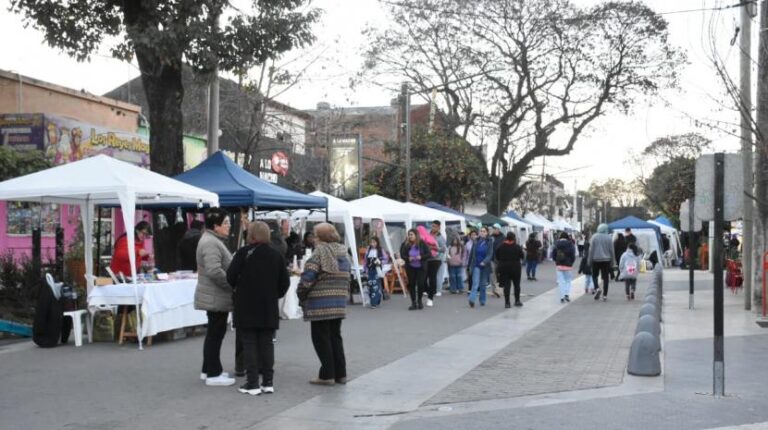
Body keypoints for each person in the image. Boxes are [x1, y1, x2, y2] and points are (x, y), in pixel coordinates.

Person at [226, 221, 290, 395]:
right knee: (267, 343)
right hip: (268, 305)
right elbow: (285, 283)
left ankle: (252, 382)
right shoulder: (276, 255)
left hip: (246, 304)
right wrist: (272, 294)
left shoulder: (243, 253)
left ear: (252, 235)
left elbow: (230, 277)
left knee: (249, 343)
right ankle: (268, 382)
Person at [297, 223, 350, 386]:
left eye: (315, 235)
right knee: (335, 336)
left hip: (320, 302)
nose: (313, 238)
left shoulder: (320, 252)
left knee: (321, 338)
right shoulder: (343, 252)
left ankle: (327, 374)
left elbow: (308, 277)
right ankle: (340, 373)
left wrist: (301, 293)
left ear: (320, 237)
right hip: (339, 300)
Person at [194, 208, 235, 387]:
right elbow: (214, 270)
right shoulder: (211, 242)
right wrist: (231, 284)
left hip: (215, 295)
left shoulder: (212, 240)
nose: (229, 226)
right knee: (215, 335)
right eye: (225, 223)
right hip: (216, 296)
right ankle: (213, 373)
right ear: (215, 226)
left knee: (214, 333)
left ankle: (208, 369)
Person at [399, 228, 431, 310]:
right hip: (411, 267)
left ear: (416, 235)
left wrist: (421, 257)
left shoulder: (422, 243)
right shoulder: (405, 244)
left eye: (411, 235)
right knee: (412, 284)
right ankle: (413, 302)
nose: (410, 236)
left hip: (421, 267)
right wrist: (407, 258)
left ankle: (419, 300)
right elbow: (402, 254)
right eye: (409, 235)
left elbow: (429, 254)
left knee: (421, 284)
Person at [494, 232, 525, 308]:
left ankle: (507, 303)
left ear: (506, 237)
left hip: (504, 268)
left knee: (507, 286)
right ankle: (517, 301)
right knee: (516, 285)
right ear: (514, 238)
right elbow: (522, 256)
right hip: (516, 268)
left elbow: (497, 257)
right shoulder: (517, 247)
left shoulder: (501, 246)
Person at [588, 224, 617, 302]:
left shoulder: (594, 237)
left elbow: (591, 250)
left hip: (595, 259)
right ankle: (605, 295)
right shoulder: (609, 237)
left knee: (594, 276)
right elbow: (612, 250)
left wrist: (589, 261)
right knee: (606, 278)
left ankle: (597, 288)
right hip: (606, 260)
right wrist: (613, 261)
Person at [468, 226, 494, 308]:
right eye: (481, 231)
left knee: (483, 284)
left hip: (485, 266)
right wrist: (469, 266)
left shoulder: (490, 241)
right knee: (475, 283)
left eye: (484, 231)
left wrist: (484, 261)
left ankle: (482, 300)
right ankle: (472, 300)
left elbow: (490, 254)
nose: (482, 232)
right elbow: (472, 254)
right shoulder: (476, 241)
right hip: (476, 265)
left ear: (487, 233)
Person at [425, 221, 446, 307]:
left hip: (436, 259)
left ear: (438, 228)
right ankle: (428, 290)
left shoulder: (441, 237)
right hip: (426, 258)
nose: (433, 228)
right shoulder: (427, 234)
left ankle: (431, 297)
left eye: (435, 226)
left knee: (432, 277)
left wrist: (434, 247)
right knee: (423, 277)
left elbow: (443, 249)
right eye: (432, 226)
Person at [364, 236, 388, 308]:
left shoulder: (380, 250)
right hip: (370, 270)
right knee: (370, 284)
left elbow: (386, 258)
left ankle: (373, 302)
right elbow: (365, 260)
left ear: (377, 242)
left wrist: (380, 262)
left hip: (377, 270)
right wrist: (365, 269)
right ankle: (376, 300)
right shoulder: (368, 250)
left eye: (374, 242)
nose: (372, 244)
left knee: (375, 285)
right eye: (371, 242)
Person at [552, 232, 576, 303]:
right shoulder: (570, 244)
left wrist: (556, 261)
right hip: (568, 265)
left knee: (561, 281)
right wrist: (571, 262)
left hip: (559, 265)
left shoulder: (556, 244)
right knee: (568, 280)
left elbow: (553, 254)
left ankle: (562, 296)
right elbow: (573, 255)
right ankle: (566, 294)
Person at [490, 223, 505, 298]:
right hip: (492, 259)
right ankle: (494, 290)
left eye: (495, 229)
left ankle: (500, 290)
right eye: (493, 228)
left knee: (500, 275)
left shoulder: (503, 237)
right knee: (492, 275)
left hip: (500, 259)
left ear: (498, 229)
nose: (493, 230)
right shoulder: (490, 237)